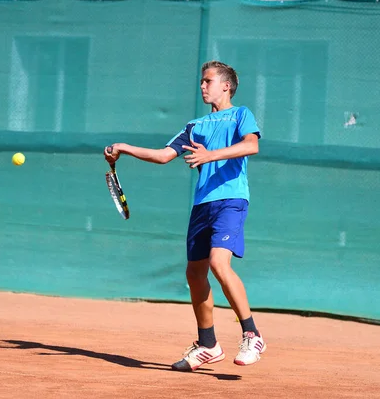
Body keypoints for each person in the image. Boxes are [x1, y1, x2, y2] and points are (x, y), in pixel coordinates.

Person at [104, 60, 265, 372]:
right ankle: (208, 344)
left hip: (230, 199)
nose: (202, 86)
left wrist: (210, 155)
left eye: (208, 81)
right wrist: (124, 147)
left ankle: (252, 334)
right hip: (202, 205)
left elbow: (251, 145)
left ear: (226, 86)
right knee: (194, 274)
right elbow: (164, 156)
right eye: (201, 81)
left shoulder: (241, 114)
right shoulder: (195, 127)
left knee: (219, 263)